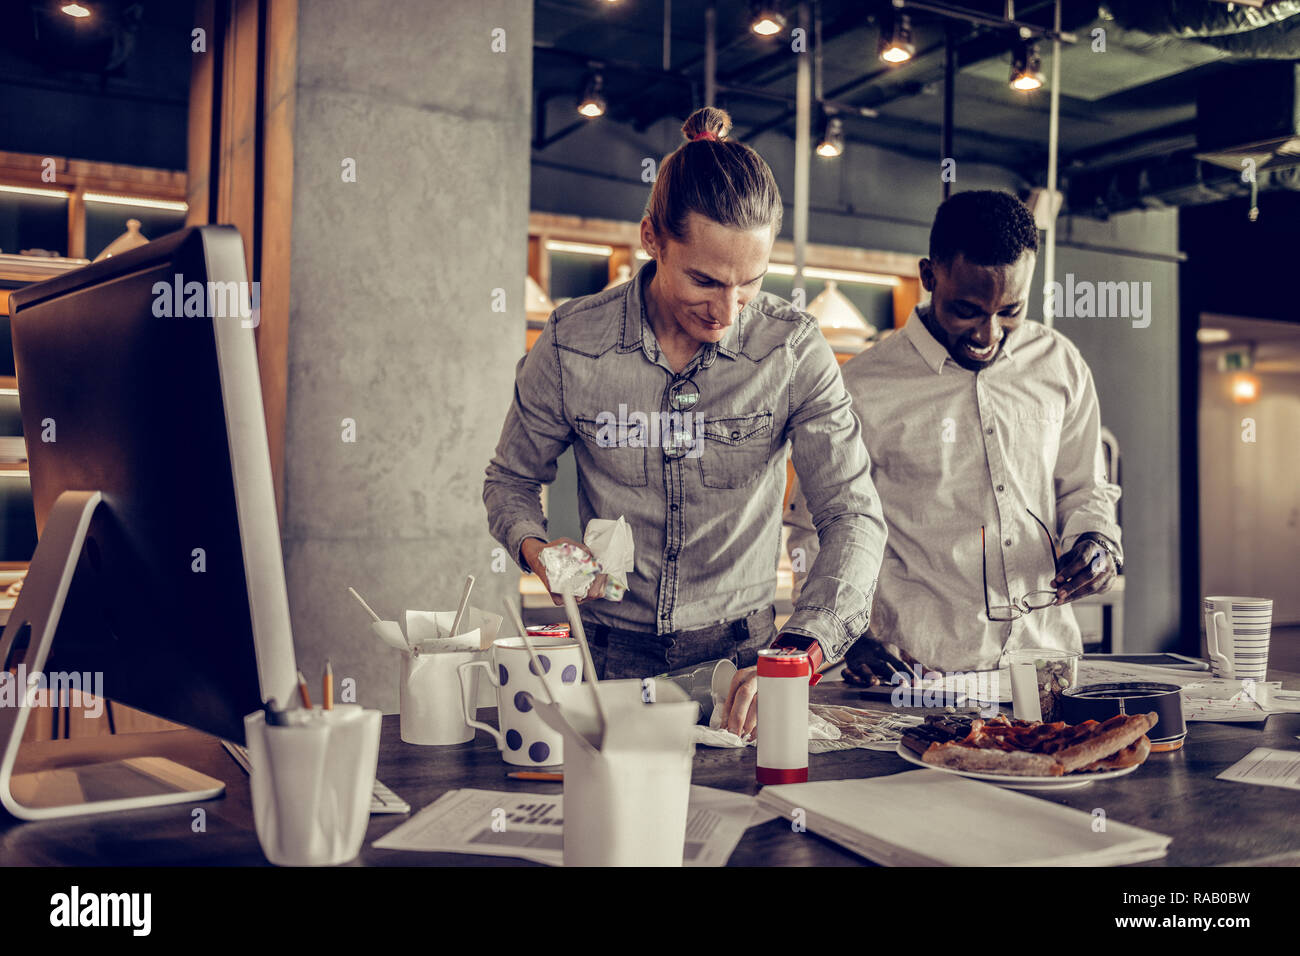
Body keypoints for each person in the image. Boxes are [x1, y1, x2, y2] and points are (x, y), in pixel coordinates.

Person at [484, 107, 886, 735]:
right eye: (705, 280)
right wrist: (538, 551)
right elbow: (509, 480)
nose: (727, 311)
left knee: (751, 830)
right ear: (652, 238)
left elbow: (852, 515)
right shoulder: (571, 340)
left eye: (749, 285)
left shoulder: (792, 350)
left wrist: (803, 651)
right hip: (606, 657)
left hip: (747, 662)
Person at [787, 190, 1121, 685]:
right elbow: (814, 529)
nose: (988, 334)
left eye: (1011, 310)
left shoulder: (1060, 363)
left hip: (1047, 667)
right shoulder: (862, 388)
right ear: (928, 277)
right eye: (967, 310)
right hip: (920, 678)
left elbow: (1085, 487)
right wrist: (846, 634)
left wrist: (1097, 539)